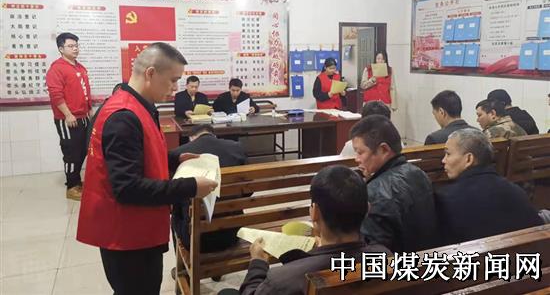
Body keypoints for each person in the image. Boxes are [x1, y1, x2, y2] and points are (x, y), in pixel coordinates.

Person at [77, 42, 218, 295]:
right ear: (151, 73)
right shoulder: (123, 116)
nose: (175, 88)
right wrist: (191, 187)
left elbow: (139, 154)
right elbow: (127, 188)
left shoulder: (135, 104)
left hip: (136, 229)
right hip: (127, 237)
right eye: (173, 80)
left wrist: (174, 159)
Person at [238, 165, 390, 295]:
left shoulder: (282, 280)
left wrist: (257, 264)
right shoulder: (386, 258)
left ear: (315, 212)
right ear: (367, 209)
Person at [435, 128, 543, 246]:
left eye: (448, 154)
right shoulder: (516, 191)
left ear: (469, 159)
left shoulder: (445, 199)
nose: (443, 160)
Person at [351, 115, 438, 252]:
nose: (357, 159)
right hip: (428, 258)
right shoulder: (419, 173)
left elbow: (374, 251)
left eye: (360, 152)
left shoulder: (373, 194)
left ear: (384, 149)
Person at [169, 124, 248, 253]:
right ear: (214, 135)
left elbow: (174, 199)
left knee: (176, 212)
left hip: (194, 238)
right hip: (232, 232)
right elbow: (247, 192)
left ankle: (181, 262)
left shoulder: (178, 154)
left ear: (191, 138)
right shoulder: (236, 148)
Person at [45, 32, 92, 201]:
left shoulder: (80, 67)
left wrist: (89, 110)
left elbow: (85, 92)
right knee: (71, 152)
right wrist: (68, 114)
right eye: (71, 46)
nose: (75, 49)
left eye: (76, 45)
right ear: (61, 49)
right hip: (68, 119)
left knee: (83, 150)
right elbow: (56, 95)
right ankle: (71, 186)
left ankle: (77, 181)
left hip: (83, 116)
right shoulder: (56, 69)